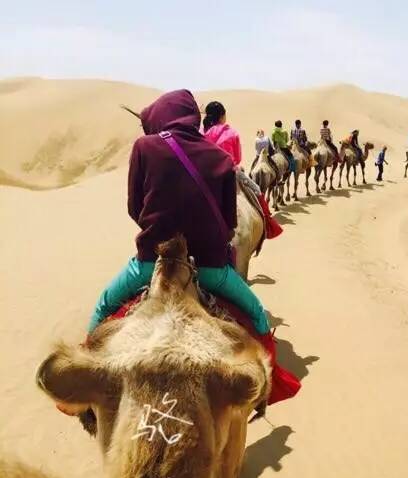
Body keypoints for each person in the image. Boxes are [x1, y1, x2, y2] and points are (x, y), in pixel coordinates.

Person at [88, 89, 271, 337]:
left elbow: (135, 209)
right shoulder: (222, 158)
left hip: (152, 262)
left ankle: (85, 354)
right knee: (258, 314)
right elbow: (230, 224)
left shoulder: (144, 146)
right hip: (210, 267)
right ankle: (268, 370)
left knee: (102, 309)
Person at [203, 102, 282, 240]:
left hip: (206, 174)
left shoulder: (202, 133)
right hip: (230, 172)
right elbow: (238, 159)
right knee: (257, 189)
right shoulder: (231, 132)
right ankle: (269, 225)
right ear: (223, 116)